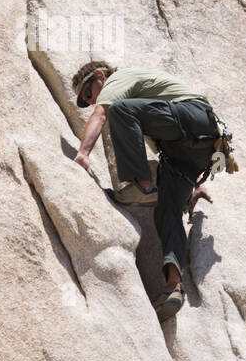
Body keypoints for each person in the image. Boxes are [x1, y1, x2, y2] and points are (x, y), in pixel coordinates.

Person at [71, 61, 225, 320]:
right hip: (192, 145)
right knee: (166, 211)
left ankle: (141, 185)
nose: (91, 100)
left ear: (100, 76)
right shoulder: (148, 109)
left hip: (193, 116)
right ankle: (174, 286)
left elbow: (102, 113)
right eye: (86, 101)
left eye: (88, 93)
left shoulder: (118, 80)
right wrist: (195, 185)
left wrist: (83, 154)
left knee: (120, 110)